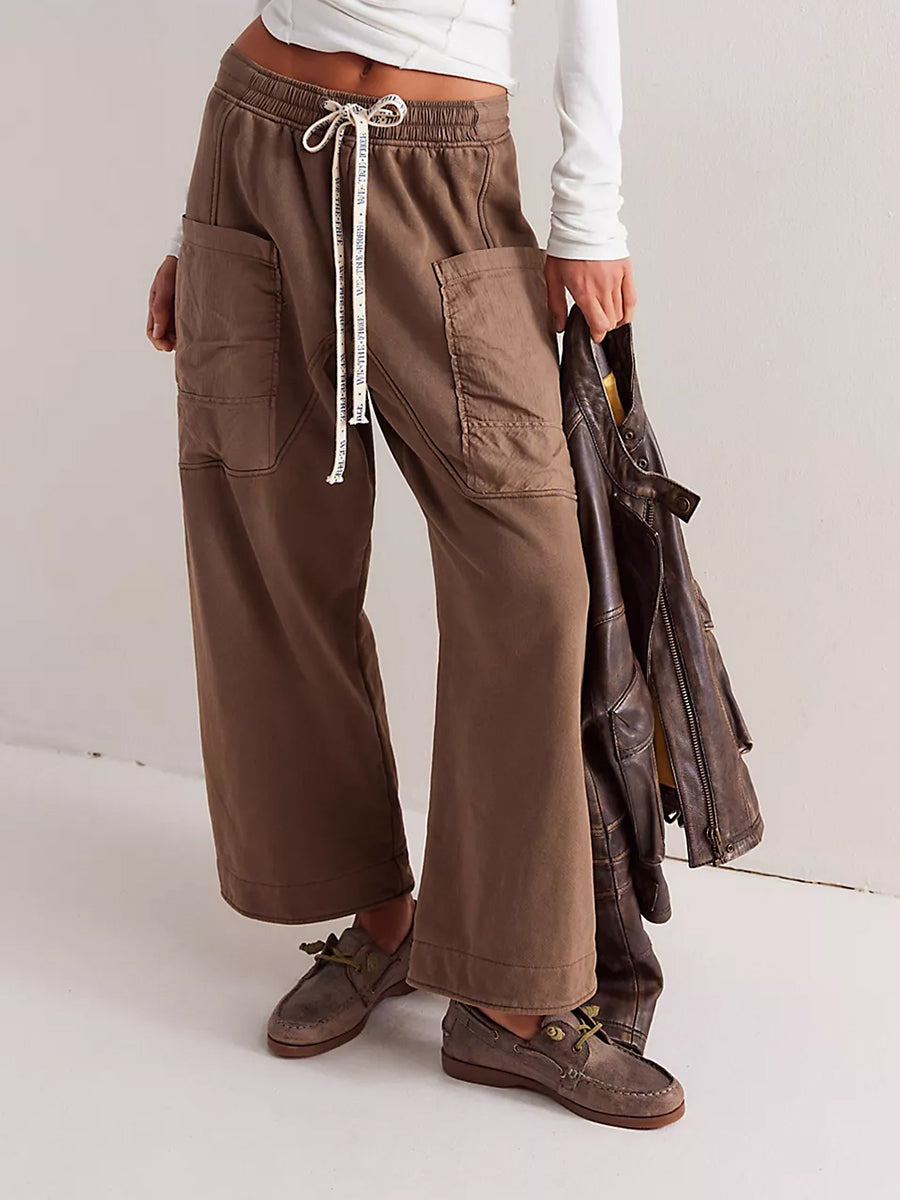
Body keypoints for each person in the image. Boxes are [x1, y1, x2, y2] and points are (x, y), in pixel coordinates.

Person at [145, 1, 684, 1128]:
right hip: (259, 139)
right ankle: (379, 917)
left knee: (534, 579)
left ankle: (508, 996)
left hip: (446, 173)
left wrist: (588, 212)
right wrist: (195, 232)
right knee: (276, 559)